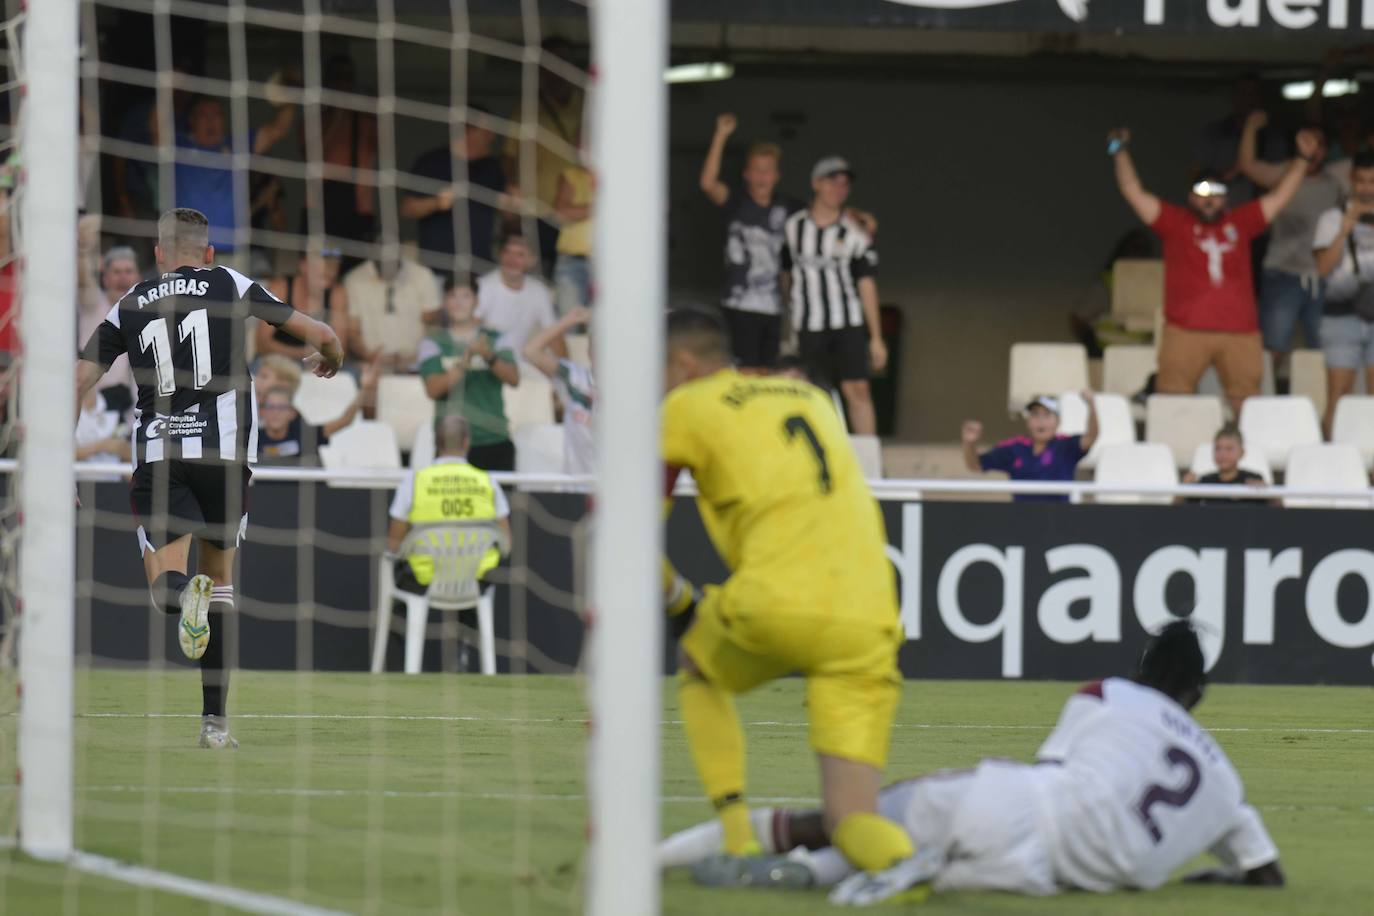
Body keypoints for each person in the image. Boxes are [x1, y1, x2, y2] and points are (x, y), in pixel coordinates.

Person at [665, 621, 1285, 905]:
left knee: (845, 817)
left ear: (1141, 670)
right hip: (1045, 879)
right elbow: (1266, 877)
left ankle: (674, 857)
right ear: (1198, 696)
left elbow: (1052, 774)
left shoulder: (1109, 693)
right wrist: (1203, 874)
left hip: (1019, 807)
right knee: (922, 869)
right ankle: (809, 876)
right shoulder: (1227, 787)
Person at [659, 310, 914, 888]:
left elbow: (629, 531)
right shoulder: (813, 397)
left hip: (779, 597)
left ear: (682, 363)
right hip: (871, 613)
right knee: (850, 819)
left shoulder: (685, 406)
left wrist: (679, 604)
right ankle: (902, 867)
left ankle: (737, 841)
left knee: (698, 667)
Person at [74, 207, 344, 749]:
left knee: (166, 588)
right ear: (209, 252)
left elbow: (75, 382)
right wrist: (329, 356)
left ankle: (180, 594)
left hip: (162, 452)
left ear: (157, 254)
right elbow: (320, 332)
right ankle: (215, 725)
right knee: (219, 585)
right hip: (226, 454)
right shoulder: (230, 282)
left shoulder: (129, 304)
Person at [1109, 126, 1317, 417]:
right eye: (1202, 192)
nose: (1209, 200)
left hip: (1240, 331)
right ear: (1190, 197)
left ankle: (1246, 459)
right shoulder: (1174, 222)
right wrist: (1118, 150)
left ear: (1227, 197)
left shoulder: (1242, 221)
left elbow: (1281, 197)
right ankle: (1176, 460)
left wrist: (1303, 159)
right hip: (1184, 329)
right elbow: (1132, 190)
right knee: (1171, 402)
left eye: (1216, 193)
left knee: (1247, 405)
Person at [385, 415, 511, 671]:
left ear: (436, 442)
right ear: (466, 443)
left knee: (396, 581)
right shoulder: (487, 482)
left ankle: (400, 664)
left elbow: (394, 542)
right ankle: (463, 650)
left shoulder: (415, 481)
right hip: (472, 580)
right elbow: (506, 541)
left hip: (423, 579)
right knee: (476, 575)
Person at [781, 157, 886, 435]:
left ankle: (869, 463)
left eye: (844, 184)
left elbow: (867, 284)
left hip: (847, 320)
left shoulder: (855, 232)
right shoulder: (793, 227)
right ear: (816, 184)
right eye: (832, 181)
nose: (839, 188)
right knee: (811, 391)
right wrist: (787, 322)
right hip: (808, 323)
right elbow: (785, 276)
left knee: (858, 389)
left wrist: (876, 338)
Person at [1238, 113, 1342, 389]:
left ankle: (1322, 413)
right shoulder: (1285, 173)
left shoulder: (1337, 179)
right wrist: (1250, 128)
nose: (1313, 150)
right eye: (1307, 142)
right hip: (1283, 271)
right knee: (1273, 347)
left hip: (1323, 276)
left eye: (1318, 144)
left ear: (1326, 149)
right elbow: (1247, 165)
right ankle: (1261, 406)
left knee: (1326, 349)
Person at [699, 114, 800, 372]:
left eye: (767, 170)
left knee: (769, 372)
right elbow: (708, 183)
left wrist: (859, 217)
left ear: (777, 175)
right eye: (756, 169)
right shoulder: (737, 202)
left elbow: (823, 212)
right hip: (739, 303)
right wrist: (721, 135)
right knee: (743, 371)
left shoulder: (788, 207)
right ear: (746, 174)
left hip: (774, 306)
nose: (762, 176)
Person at [156, 89, 296, 256]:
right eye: (204, 115)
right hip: (187, 254)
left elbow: (277, 130)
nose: (211, 121)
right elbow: (157, 131)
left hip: (233, 254)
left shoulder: (237, 146)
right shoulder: (180, 146)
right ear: (192, 120)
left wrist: (291, 94)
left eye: (216, 115)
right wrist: (167, 89)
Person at [419, 276, 520, 471]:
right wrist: (465, 361)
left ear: (476, 301)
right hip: (450, 446)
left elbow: (514, 378)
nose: (458, 303)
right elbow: (433, 390)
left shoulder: (497, 338)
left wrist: (487, 355)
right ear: (445, 302)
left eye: (465, 296)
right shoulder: (432, 342)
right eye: (452, 296)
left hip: (494, 441)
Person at [402, 105, 512, 282]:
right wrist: (436, 203)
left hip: (480, 270)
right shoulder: (432, 162)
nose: (492, 137)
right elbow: (407, 209)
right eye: (487, 131)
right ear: (468, 130)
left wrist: (512, 203)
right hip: (437, 271)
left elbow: (508, 216)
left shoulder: (491, 167)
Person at [503, 37, 585, 276]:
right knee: (537, 274)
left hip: (579, 211)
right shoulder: (527, 109)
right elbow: (508, 156)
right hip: (537, 210)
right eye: (550, 64)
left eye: (563, 62)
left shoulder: (586, 105)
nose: (557, 70)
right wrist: (511, 195)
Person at [1313, 151, 1374, 437]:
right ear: (1352, 180)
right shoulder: (1331, 217)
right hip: (1341, 316)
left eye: (1373, 182)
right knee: (1339, 396)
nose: (1367, 188)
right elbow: (1323, 269)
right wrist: (1344, 229)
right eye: (1361, 181)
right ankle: (1331, 464)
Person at [961, 394, 1098, 503]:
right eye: (1035, 415)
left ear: (1058, 421)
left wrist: (1091, 405)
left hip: (1060, 520)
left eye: (1046, 415)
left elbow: (1091, 437)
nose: (1040, 421)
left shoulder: (1066, 445)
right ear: (1028, 421)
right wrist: (969, 443)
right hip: (1022, 520)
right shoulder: (1015, 447)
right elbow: (976, 465)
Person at [257, 358, 376, 465]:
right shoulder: (252, 434)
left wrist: (365, 390)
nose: (276, 413)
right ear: (262, 411)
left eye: (282, 408)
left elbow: (345, 420)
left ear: (292, 413)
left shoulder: (303, 433)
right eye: (270, 407)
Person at [522, 305, 595, 475]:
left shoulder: (627, 386)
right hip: (577, 485)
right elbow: (530, 351)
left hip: (617, 488)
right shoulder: (573, 376)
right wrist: (570, 320)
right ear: (589, 351)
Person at [342, 248, 441, 370]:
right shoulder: (354, 279)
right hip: (371, 368)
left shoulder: (422, 275)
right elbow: (352, 332)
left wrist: (415, 359)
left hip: (417, 367)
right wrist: (372, 358)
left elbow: (434, 326)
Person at [476, 233, 563, 358]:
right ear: (500, 255)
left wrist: (567, 372)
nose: (511, 259)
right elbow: (472, 331)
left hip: (522, 365)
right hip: (487, 361)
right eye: (507, 252)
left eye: (520, 255)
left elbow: (554, 335)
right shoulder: (482, 286)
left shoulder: (539, 291)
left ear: (532, 260)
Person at [257, 248, 351, 362]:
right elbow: (263, 344)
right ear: (303, 265)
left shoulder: (337, 293)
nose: (330, 269)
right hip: (277, 362)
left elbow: (340, 347)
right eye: (324, 261)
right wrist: (305, 355)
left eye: (333, 264)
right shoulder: (280, 288)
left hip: (318, 365)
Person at [78, 237, 141, 392]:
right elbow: (83, 279)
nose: (123, 278)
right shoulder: (92, 302)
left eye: (128, 271)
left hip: (131, 406)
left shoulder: (148, 310)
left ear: (139, 277)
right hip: (94, 400)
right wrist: (83, 248)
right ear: (105, 279)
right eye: (117, 272)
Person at [1180, 425, 1267, 506]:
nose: (1222, 454)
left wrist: (1266, 491)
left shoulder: (1253, 480)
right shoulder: (1205, 481)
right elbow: (1178, 509)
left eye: (1229, 449)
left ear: (1242, 452)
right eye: (1218, 448)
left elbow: (1276, 510)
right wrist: (1184, 488)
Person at [551, 155, 594, 316]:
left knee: (608, 328)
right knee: (568, 326)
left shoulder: (624, 176)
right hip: (573, 261)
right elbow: (561, 213)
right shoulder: (573, 175)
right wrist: (602, 207)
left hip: (611, 265)